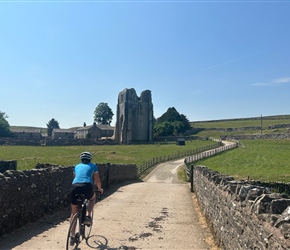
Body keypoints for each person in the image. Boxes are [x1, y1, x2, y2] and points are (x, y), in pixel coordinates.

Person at [69, 151, 103, 244]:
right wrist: (99, 189)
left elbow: (76, 177)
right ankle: (88, 215)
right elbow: (97, 180)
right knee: (92, 198)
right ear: (90, 159)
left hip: (74, 187)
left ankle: (71, 236)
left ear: (81, 159)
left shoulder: (76, 166)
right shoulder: (93, 166)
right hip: (87, 186)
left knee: (73, 213)